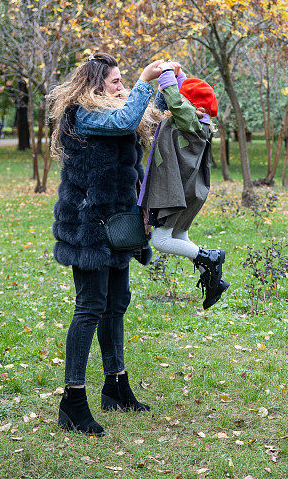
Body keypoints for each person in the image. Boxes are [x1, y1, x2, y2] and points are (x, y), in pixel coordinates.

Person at [48, 52, 165, 436]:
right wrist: (146, 80)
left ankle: (116, 386)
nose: (122, 85)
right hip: (88, 227)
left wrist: (169, 83)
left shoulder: (114, 110)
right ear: (97, 85)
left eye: (123, 80)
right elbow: (125, 119)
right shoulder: (84, 115)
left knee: (116, 305)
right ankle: (72, 401)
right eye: (116, 81)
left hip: (117, 225)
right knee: (90, 307)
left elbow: (150, 117)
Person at [138, 63, 229, 311]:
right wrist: (178, 75)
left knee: (161, 241)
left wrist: (166, 74)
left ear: (193, 106)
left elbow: (177, 102)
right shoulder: (201, 120)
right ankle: (214, 280)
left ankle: (209, 258)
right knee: (180, 236)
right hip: (189, 190)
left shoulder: (189, 120)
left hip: (175, 190)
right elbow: (185, 95)